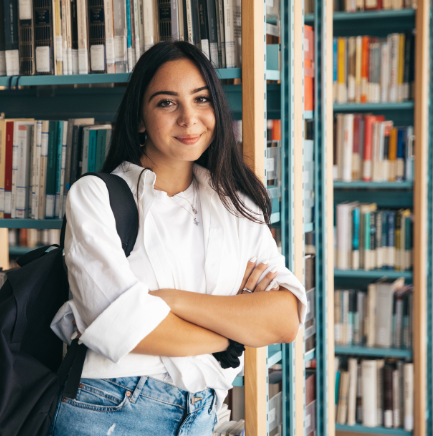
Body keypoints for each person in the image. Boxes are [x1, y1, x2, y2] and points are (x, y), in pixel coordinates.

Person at [49, 41, 307, 436]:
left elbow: (285, 320)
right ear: (140, 119)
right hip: (109, 411)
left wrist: (171, 302)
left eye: (201, 99)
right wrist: (231, 334)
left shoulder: (236, 203)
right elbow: (121, 326)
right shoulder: (95, 195)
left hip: (201, 415)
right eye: (167, 103)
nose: (189, 119)